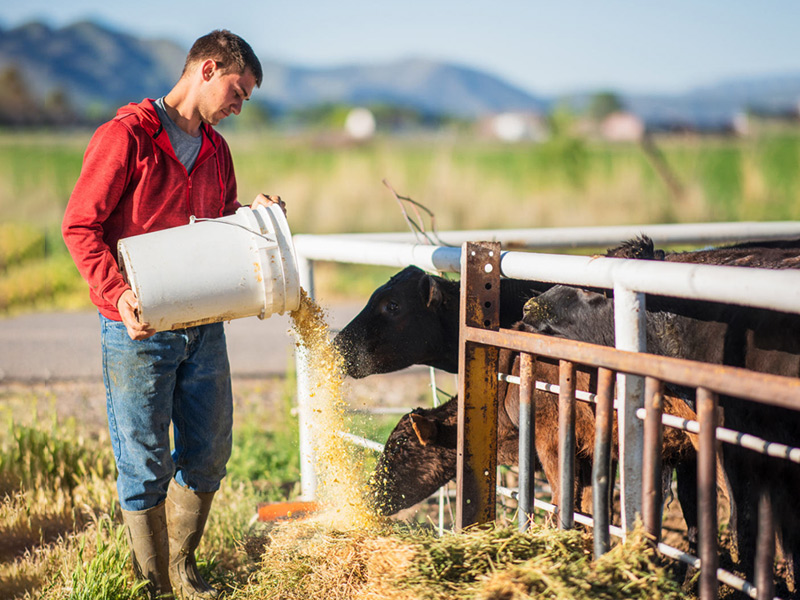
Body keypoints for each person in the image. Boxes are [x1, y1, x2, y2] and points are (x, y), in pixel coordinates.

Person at [62, 29, 284, 599]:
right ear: (208, 69)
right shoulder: (126, 138)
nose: (241, 105)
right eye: (239, 90)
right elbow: (80, 227)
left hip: (203, 325)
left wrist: (252, 215)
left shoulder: (217, 151)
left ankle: (184, 571)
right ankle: (154, 584)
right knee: (145, 460)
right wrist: (118, 294)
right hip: (137, 326)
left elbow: (220, 222)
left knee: (209, 451)